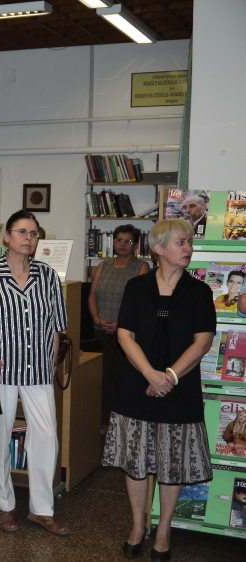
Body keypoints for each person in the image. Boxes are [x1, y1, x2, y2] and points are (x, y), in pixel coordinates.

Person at [102, 218, 215, 561]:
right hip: (137, 384)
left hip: (179, 388)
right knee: (135, 461)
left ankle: (163, 529)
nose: (188, 248)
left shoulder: (199, 292)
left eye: (190, 242)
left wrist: (168, 377)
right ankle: (139, 525)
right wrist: (150, 374)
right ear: (159, 248)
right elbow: (125, 335)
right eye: (181, 242)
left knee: (172, 462)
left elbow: (202, 342)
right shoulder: (137, 287)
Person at [0, 210, 69, 536]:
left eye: (33, 233)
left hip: (38, 369)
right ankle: (5, 504)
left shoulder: (48, 275)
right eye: (21, 232)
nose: (28, 238)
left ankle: (42, 509)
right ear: (7, 236)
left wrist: (51, 362)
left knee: (46, 437)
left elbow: (56, 326)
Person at [88, 225, 150, 429]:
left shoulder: (142, 268)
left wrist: (121, 324)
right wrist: (97, 320)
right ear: (113, 242)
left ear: (136, 245)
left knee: (121, 382)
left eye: (128, 241)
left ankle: (120, 425)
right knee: (99, 382)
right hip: (100, 334)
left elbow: (143, 304)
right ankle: (101, 423)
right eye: (119, 240)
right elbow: (92, 296)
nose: (123, 245)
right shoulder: (103, 266)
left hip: (126, 337)